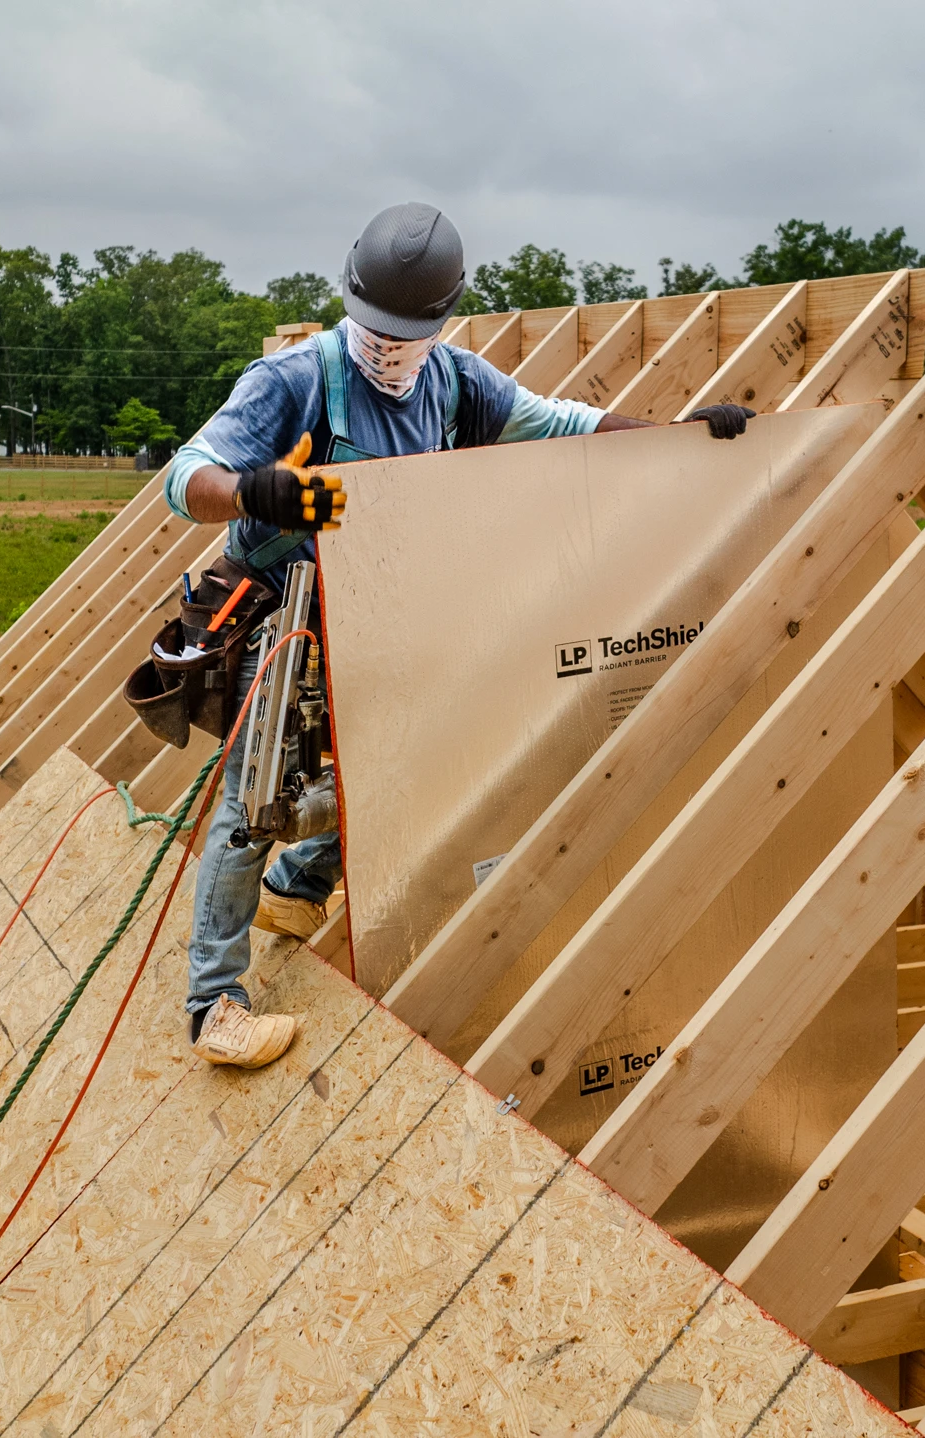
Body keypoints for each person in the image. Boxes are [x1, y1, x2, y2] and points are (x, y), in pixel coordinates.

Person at [164, 201, 754, 1069]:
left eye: (405, 336)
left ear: (438, 323)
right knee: (255, 805)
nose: (386, 350)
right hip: (282, 611)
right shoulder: (294, 381)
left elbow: (563, 426)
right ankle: (212, 999)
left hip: (390, 611)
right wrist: (258, 491)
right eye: (374, 331)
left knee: (409, 767)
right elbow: (184, 480)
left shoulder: (455, 383)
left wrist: (681, 437)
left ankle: (297, 890)